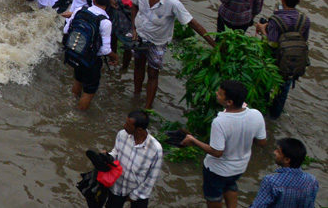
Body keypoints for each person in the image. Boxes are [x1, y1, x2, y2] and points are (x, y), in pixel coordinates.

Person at [131, 0, 214, 109]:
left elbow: (192, 23)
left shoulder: (172, 3)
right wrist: (133, 27)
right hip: (139, 36)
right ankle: (136, 94)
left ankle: (147, 107)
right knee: (138, 66)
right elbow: (133, 5)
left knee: (153, 73)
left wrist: (212, 43)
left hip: (157, 43)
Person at [180, 80, 268, 208]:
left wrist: (193, 140)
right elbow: (262, 142)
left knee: (213, 197)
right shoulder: (256, 115)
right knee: (230, 185)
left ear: (229, 102)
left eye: (220, 94)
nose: (216, 94)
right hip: (240, 167)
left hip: (218, 171)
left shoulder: (220, 122)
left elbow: (217, 152)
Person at [256, 0, 310, 119]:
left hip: (275, 61)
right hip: (293, 62)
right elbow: (304, 39)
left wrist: (262, 29)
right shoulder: (304, 20)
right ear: (298, 1)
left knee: (266, 86)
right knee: (283, 91)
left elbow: (272, 43)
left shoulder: (276, 20)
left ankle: (263, 115)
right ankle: (274, 117)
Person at [62, 0, 114, 110]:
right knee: (89, 91)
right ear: (108, 3)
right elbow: (105, 50)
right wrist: (115, 56)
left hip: (76, 53)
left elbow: (65, 30)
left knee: (78, 80)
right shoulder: (106, 22)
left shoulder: (80, 10)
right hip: (91, 61)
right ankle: (77, 115)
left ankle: (70, 104)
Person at [106, 110, 164, 208]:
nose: (124, 126)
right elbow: (116, 152)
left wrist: (135, 195)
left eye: (128, 125)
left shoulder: (155, 150)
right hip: (118, 186)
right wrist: (108, 157)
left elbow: (151, 178)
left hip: (139, 192)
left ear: (139, 130)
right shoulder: (122, 134)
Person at [247, 138, 318, 208]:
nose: (274, 152)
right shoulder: (312, 181)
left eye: (278, 152)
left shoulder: (271, 181)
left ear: (287, 160)